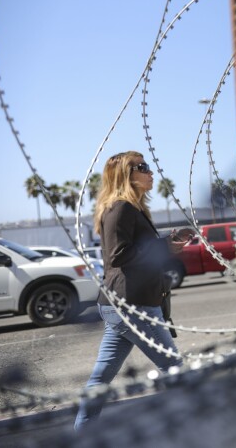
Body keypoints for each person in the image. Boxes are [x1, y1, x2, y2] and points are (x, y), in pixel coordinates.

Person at [74, 152, 193, 431]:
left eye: (148, 166)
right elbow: (118, 255)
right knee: (174, 368)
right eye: (142, 167)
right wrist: (163, 246)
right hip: (131, 305)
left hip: (127, 303)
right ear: (125, 175)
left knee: (100, 379)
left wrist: (167, 243)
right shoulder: (121, 208)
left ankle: (82, 434)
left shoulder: (133, 208)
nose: (150, 172)